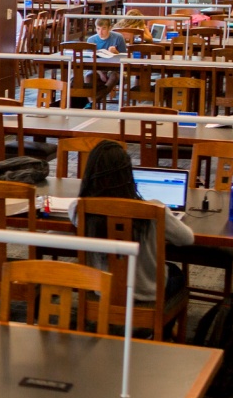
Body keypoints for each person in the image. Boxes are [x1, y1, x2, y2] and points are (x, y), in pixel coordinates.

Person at [68, 140, 193, 303]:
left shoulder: (79, 208)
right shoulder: (154, 209)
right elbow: (186, 238)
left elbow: (78, 208)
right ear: (128, 173)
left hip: (102, 290)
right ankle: (165, 326)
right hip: (148, 293)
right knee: (176, 273)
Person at [84, 19, 127, 106]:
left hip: (114, 69)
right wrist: (100, 73)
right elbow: (89, 61)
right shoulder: (91, 40)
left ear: (109, 28)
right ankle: (92, 101)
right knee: (88, 76)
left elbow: (125, 57)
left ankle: (93, 101)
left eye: (103, 29)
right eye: (98, 29)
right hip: (96, 69)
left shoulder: (118, 38)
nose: (100, 32)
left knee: (114, 76)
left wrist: (116, 53)